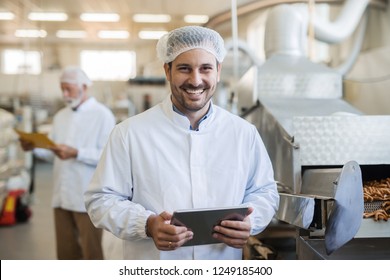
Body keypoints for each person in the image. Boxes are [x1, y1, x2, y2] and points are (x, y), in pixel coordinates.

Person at [84, 26, 279, 260]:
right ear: (167, 70)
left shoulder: (243, 134)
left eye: (205, 68)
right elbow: (101, 199)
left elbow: (264, 191)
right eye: (184, 68)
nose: (195, 80)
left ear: (218, 71)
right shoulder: (129, 133)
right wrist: (147, 224)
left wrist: (251, 221)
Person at [19, 66, 116, 260]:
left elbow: (108, 157)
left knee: (92, 253)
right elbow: (53, 152)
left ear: (83, 87)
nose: (64, 94)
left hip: (87, 198)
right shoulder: (61, 116)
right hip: (62, 197)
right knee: (66, 254)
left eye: (68, 89)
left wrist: (77, 153)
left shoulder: (102, 115)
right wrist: (35, 147)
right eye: (62, 89)